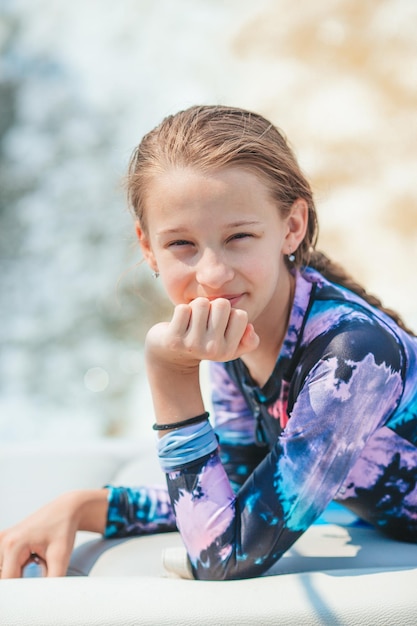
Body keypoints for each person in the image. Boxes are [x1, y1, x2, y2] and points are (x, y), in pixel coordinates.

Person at [1, 104, 417, 581]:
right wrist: (82, 507)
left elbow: (225, 552)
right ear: (146, 247)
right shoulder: (236, 329)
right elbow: (236, 493)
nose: (213, 275)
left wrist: (169, 371)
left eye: (239, 236)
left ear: (292, 226)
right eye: (182, 245)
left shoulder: (354, 358)